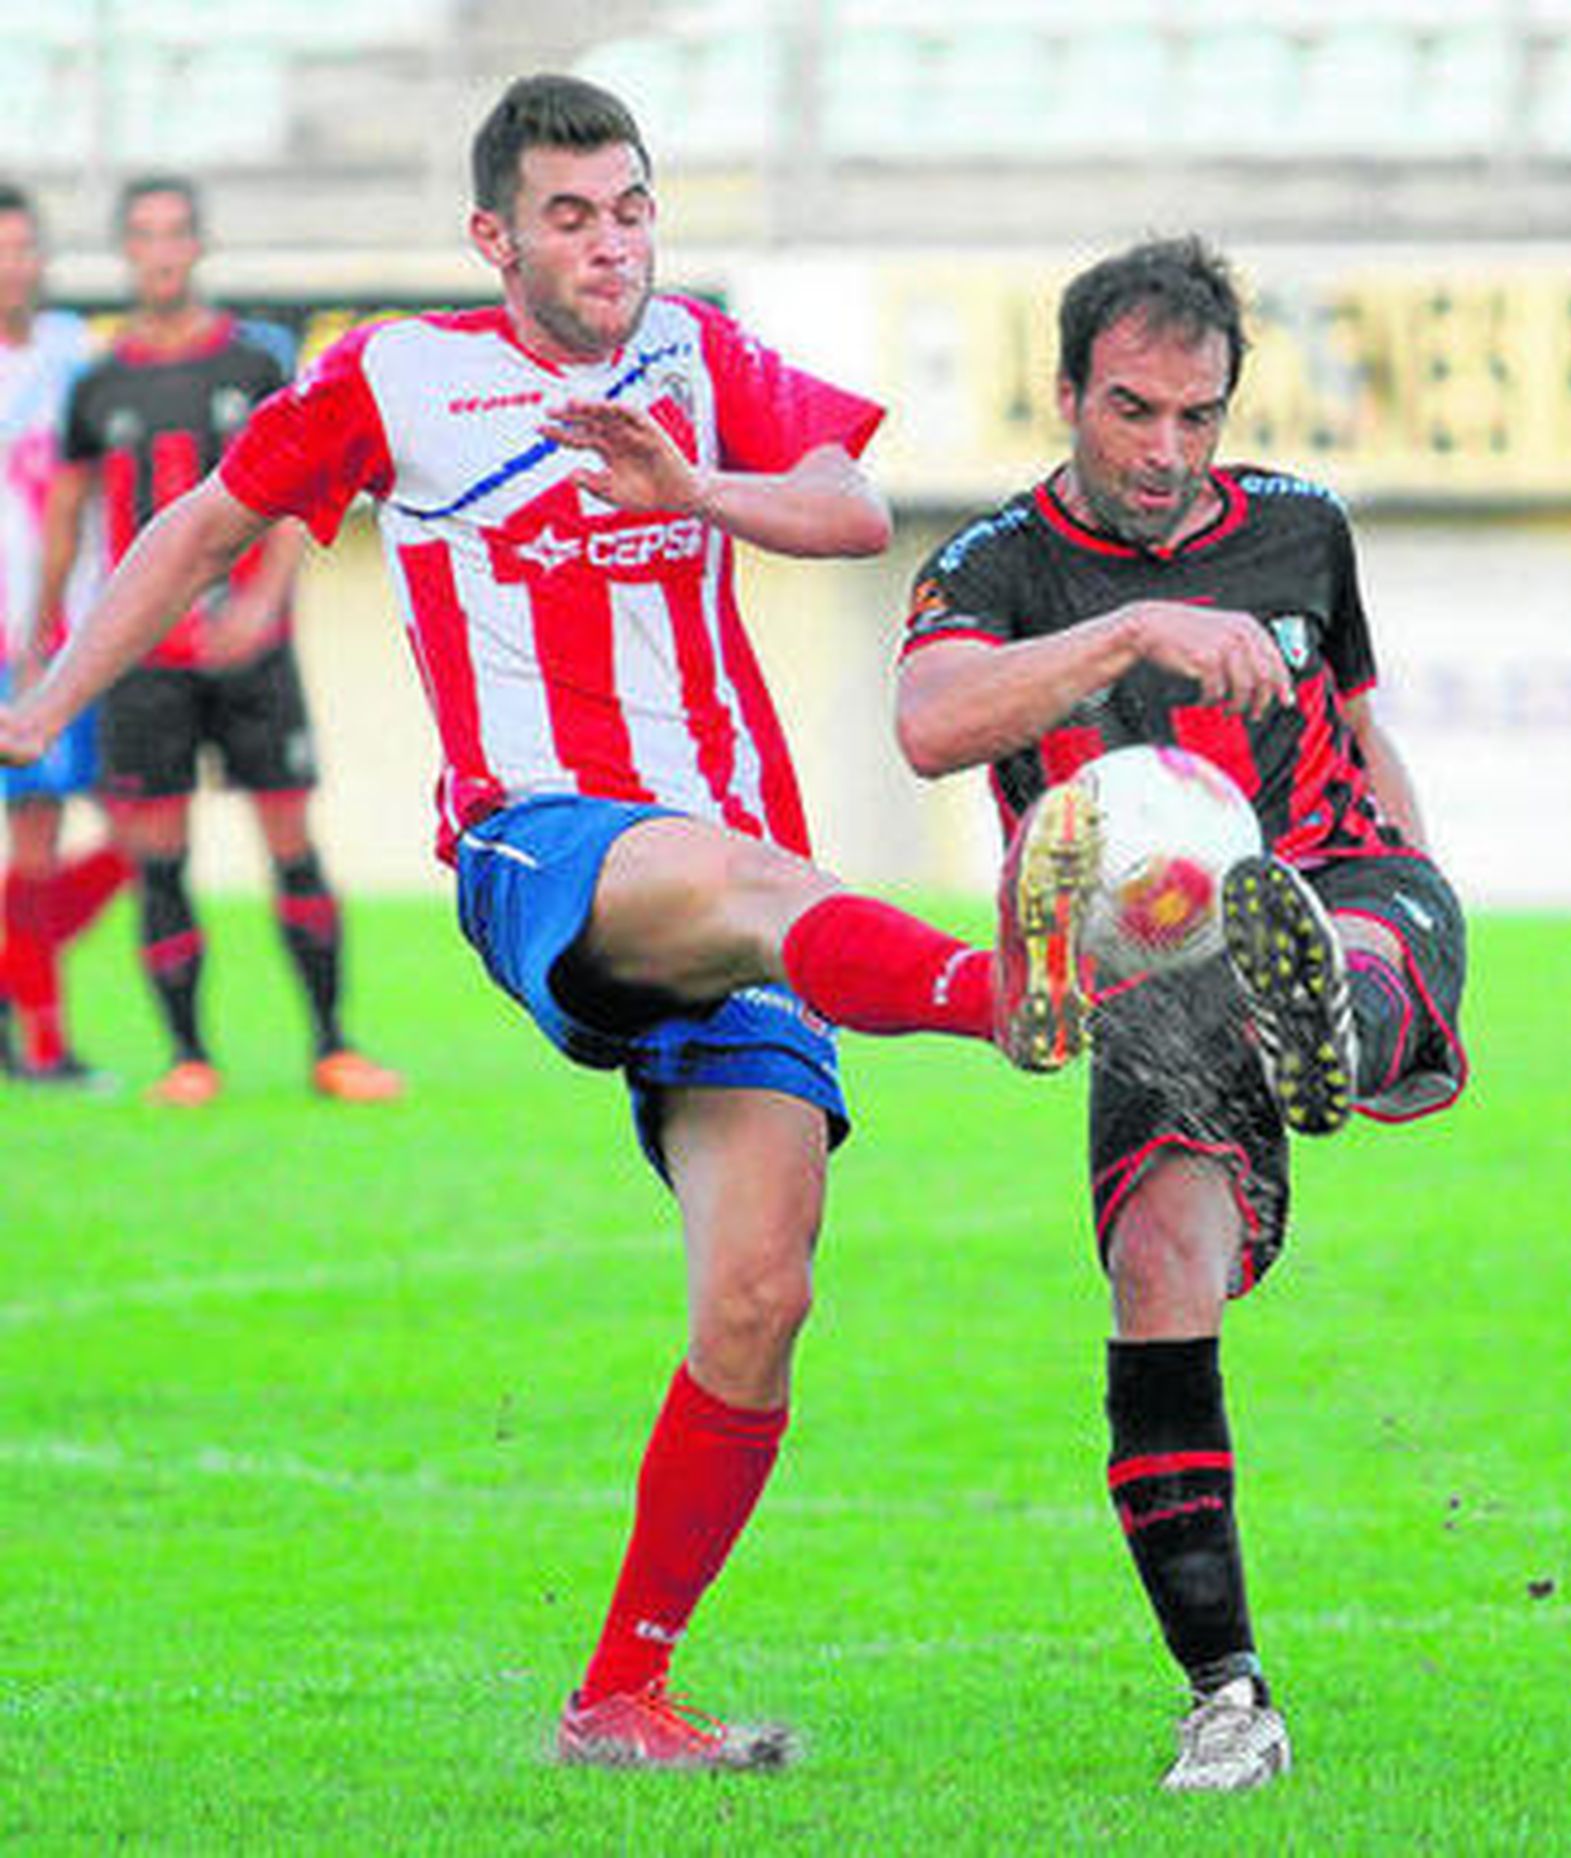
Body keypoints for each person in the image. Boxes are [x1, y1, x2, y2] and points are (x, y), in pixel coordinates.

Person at [0, 75, 1076, 1768]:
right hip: (547, 848)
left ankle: (622, 1695)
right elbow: (204, 527)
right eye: (571, 217)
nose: (611, 244)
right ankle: (1017, 991)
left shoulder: (701, 355)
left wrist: (695, 487)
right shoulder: (393, 374)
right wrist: (40, 694)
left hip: (738, 880)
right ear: (494, 235)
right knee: (750, 884)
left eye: (632, 207)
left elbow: (857, 510)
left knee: (759, 1296)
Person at [895, 236, 1468, 1793]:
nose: (1164, 451)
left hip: (1338, 878)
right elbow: (933, 723)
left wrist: (1416, 876)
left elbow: (1356, 722)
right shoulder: (997, 567)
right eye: (1131, 411)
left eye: (1196, 418)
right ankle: (1228, 1693)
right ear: (1066, 391)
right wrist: (1135, 634)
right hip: (1158, 976)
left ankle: (1339, 1026)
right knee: (1160, 1270)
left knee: (1344, 931)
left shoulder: (1300, 528)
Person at [32, 174, 401, 1105]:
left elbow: (295, 497)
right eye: (144, 236)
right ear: (128, 253)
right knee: (159, 852)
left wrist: (259, 608)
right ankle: (189, 1059)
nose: (161, 251)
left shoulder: (255, 361)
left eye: (175, 234)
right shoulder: (98, 382)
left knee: (290, 838)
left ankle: (332, 1044)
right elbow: (69, 516)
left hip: (251, 651)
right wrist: (48, 633)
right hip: (143, 664)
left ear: (198, 246)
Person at [0, 182, 129, 1086]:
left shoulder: (75, 353)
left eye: (23, 247)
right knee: (36, 839)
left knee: (138, 832)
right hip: (11, 642)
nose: (14, 266)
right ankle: (45, 1046)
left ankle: (15, 985)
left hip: (80, 633)